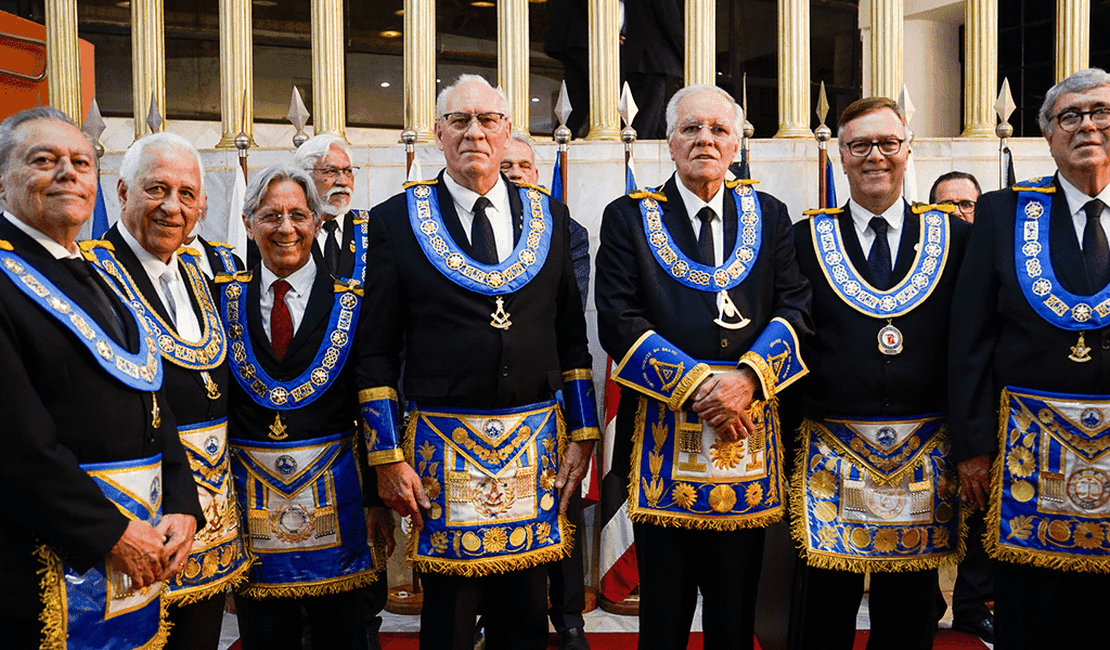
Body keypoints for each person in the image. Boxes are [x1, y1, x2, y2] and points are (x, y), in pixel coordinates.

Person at [358, 73, 599, 650]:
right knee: (447, 619)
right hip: (443, 452)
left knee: (523, 614)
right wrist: (387, 457)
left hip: (533, 446)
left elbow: (573, 339)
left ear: (507, 130)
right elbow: (375, 351)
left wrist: (585, 432)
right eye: (459, 121)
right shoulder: (394, 220)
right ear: (438, 134)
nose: (474, 133)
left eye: (488, 120)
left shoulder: (553, 219)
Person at [595, 84, 812, 650]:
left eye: (718, 129)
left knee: (734, 613)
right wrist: (698, 386)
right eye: (691, 128)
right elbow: (618, 319)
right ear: (669, 142)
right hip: (660, 443)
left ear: (737, 143)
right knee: (663, 615)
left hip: (750, 438)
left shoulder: (770, 214)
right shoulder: (628, 217)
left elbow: (796, 306)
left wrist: (747, 380)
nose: (705, 140)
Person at [0, 106, 202, 648]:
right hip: (46, 562)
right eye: (44, 160)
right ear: (2, 181)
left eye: (80, 162)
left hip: (136, 550)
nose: (67, 172)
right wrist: (111, 532)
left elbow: (151, 398)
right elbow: (18, 444)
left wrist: (182, 502)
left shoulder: (92, 271)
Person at [788, 97, 970, 650]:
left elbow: (971, 345)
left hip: (925, 456)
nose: (875, 157)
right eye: (860, 146)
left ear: (907, 151)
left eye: (888, 144)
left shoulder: (956, 240)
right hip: (828, 454)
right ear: (841, 157)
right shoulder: (801, 240)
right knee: (822, 618)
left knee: (910, 621)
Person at [949, 67, 1110, 650]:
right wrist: (971, 449)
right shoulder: (1002, 213)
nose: (1087, 124)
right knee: (1035, 621)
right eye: (1070, 115)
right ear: (1047, 136)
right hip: (1028, 466)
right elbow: (970, 338)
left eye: (1100, 111)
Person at [85, 132, 250, 650]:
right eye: (157, 189)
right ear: (122, 191)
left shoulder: (202, 276)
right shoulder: (88, 274)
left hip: (209, 525)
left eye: (187, 194)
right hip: (138, 519)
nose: (173, 207)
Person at [220, 165, 389, 650]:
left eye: (298, 214)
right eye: (270, 215)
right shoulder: (220, 298)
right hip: (251, 509)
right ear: (249, 224)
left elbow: (374, 395)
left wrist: (378, 497)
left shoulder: (354, 300)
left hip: (340, 501)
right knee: (264, 638)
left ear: (317, 223)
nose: (285, 227)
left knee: (345, 636)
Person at [500, 133, 592, 650]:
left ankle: (568, 614)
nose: (514, 172)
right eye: (504, 164)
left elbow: (564, 314)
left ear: (537, 174)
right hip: (493, 396)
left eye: (523, 165)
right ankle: (495, 615)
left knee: (562, 503)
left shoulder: (566, 232)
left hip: (553, 392)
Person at [926, 170, 993, 643]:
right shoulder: (920, 257)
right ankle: (925, 602)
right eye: (945, 205)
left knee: (977, 508)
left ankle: (971, 603)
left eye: (966, 204)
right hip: (925, 405)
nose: (956, 213)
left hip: (972, 404)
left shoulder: (993, 256)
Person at [295, 134, 369, 282]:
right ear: (305, 178)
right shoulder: (289, 230)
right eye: (331, 171)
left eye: (348, 171)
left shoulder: (370, 228)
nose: (343, 181)